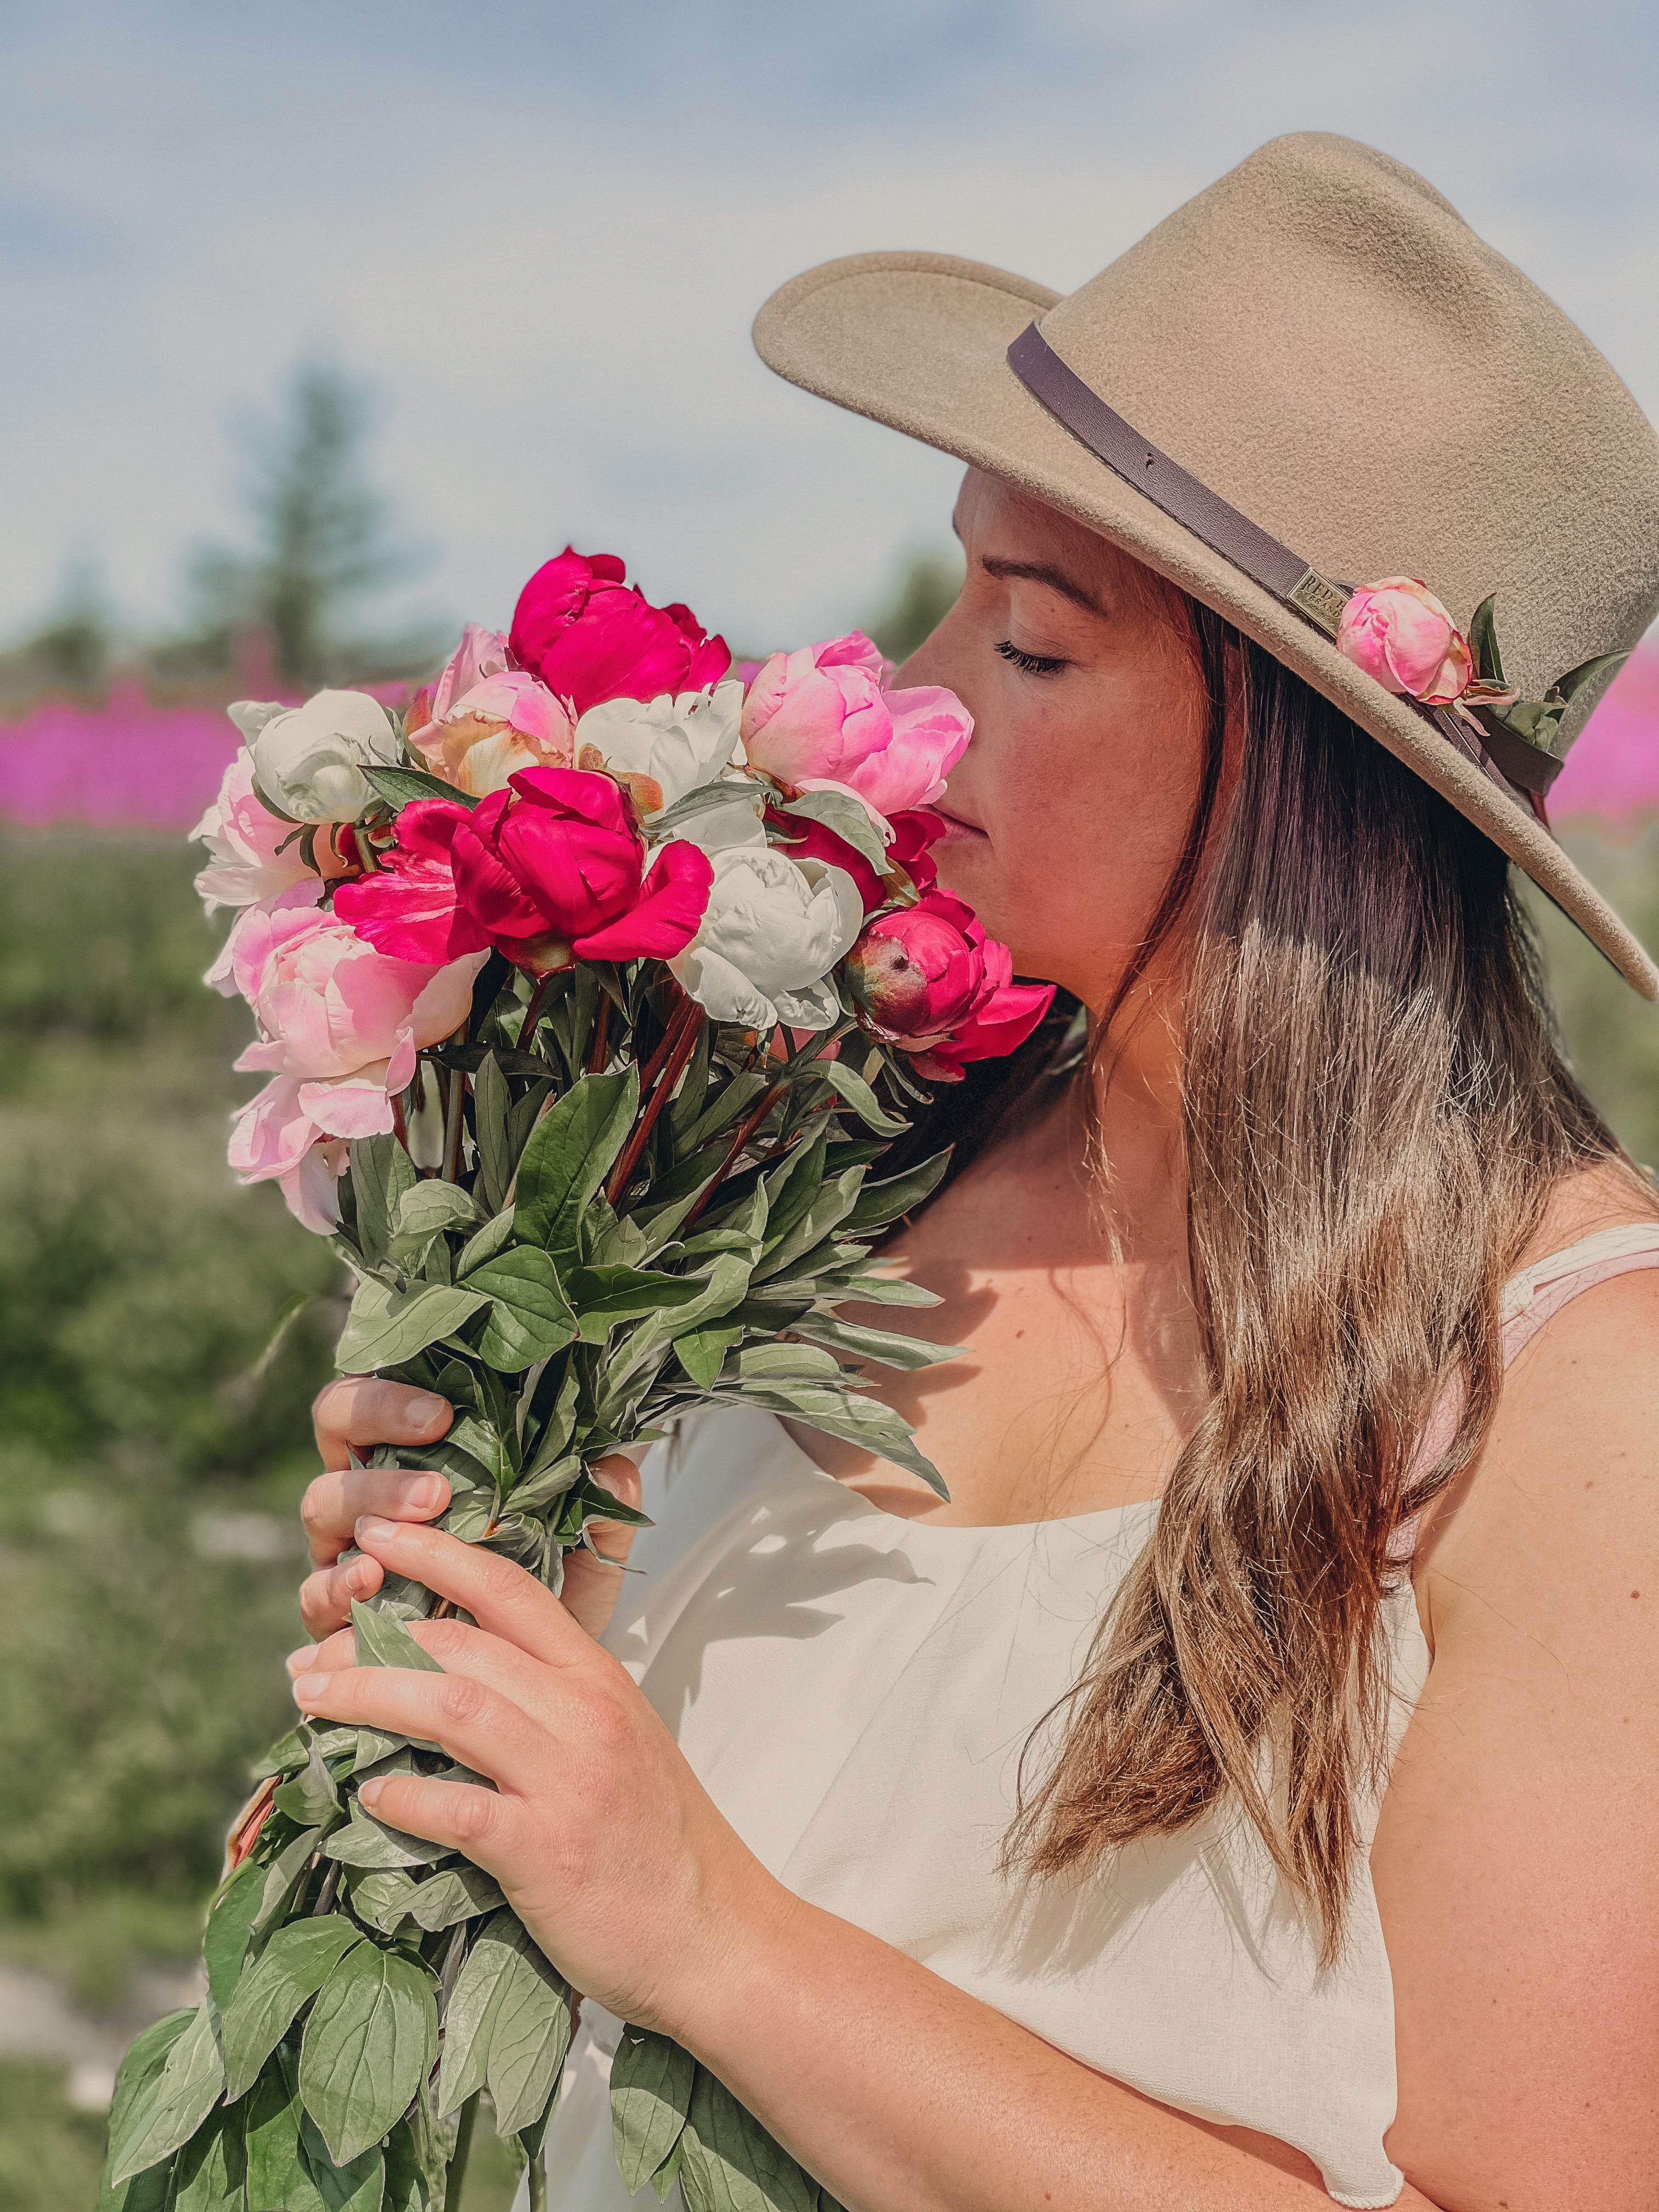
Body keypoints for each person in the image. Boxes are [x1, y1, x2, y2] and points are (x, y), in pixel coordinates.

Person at [285, 136, 1659, 2209]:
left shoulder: (1583, 1407)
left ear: (1308, 776)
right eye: (958, 590)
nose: (918, 686)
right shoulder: (809, 1171)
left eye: (1030, 641)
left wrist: (714, 1931)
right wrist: (477, 1638)